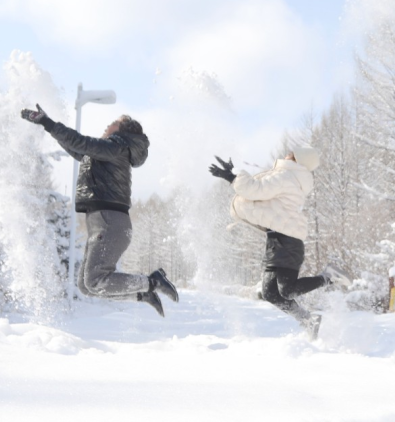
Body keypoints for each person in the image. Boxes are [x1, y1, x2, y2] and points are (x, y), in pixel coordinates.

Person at [20, 104, 179, 317]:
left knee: (95, 280)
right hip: (104, 222)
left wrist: (47, 123)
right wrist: (47, 125)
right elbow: (77, 148)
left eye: (113, 123)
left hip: (109, 221)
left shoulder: (116, 146)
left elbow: (82, 143)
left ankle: (152, 281)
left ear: (121, 131)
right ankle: (143, 294)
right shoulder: (109, 152)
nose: (107, 125)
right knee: (86, 286)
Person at [209, 150, 352, 338]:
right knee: (270, 293)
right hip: (276, 240)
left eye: (291, 153)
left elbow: (255, 190)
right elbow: (260, 198)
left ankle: (328, 277)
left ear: (296, 159)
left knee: (287, 290)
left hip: (288, 240)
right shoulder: (289, 177)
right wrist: (233, 177)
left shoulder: (286, 177)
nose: (286, 154)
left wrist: (232, 176)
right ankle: (308, 320)